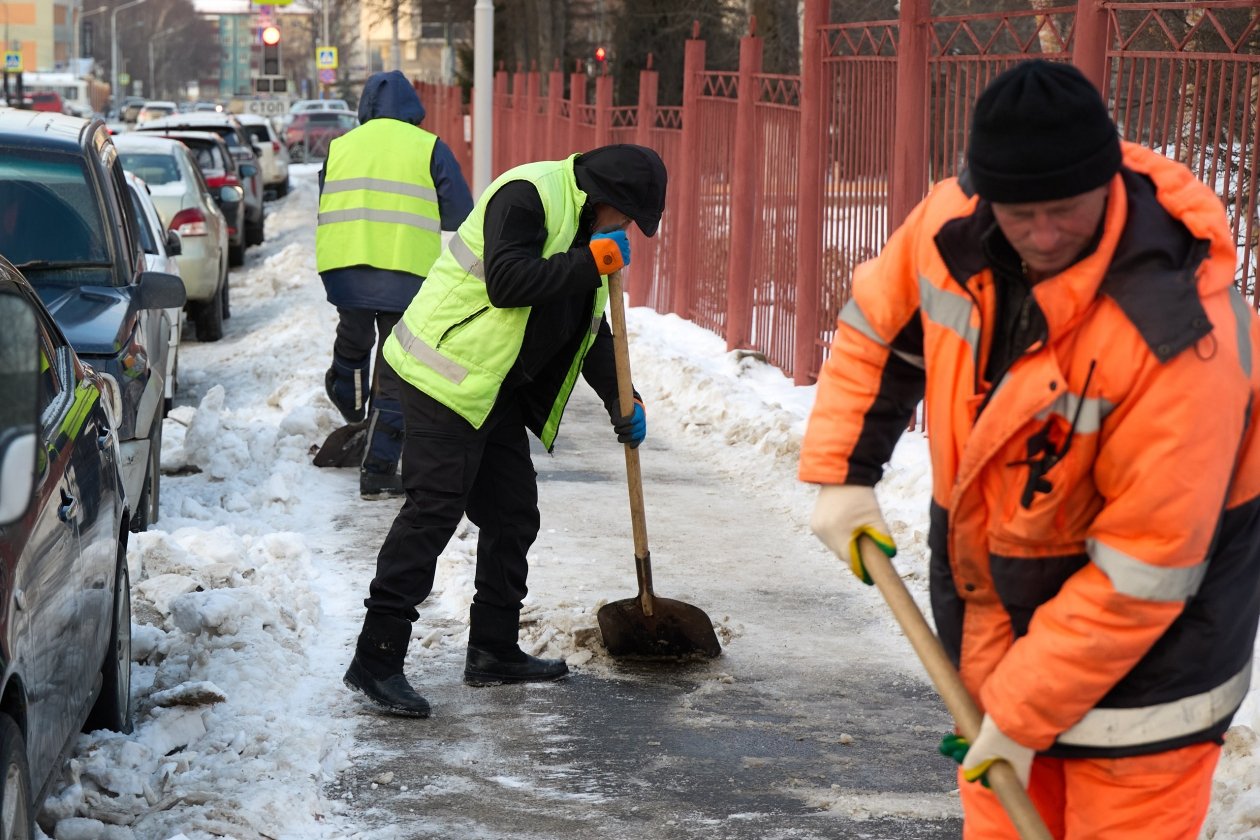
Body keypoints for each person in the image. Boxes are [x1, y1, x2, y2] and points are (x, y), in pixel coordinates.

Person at [800, 59, 1260, 838]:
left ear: (1106, 182)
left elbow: (1144, 570)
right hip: (994, 635)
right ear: (986, 195)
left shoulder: (1181, 332)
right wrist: (844, 470)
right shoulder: (950, 226)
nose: (1043, 235)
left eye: (1066, 210)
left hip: (1151, 686)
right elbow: (877, 328)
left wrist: (1018, 714)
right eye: (1021, 214)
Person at [342, 144, 667, 717]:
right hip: (439, 374)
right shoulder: (527, 195)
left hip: (491, 389)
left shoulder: (588, 234)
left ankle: (492, 649)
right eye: (628, 217)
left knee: (512, 514)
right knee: (433, 510)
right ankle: (377, 657)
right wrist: (590, 262)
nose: (626, 231)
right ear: (606, 198)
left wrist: (624, 396)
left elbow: (589, 329)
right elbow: (507, 282)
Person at [317, 70, 473, 498]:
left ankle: (350, 401)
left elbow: (326, 198)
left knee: (353, 340)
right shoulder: (429, 147)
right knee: (395, 370)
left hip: (344, 266)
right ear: (412, 107)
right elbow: (459, 212)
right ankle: (379, 469)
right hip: (406, 274)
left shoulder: (341, 146)